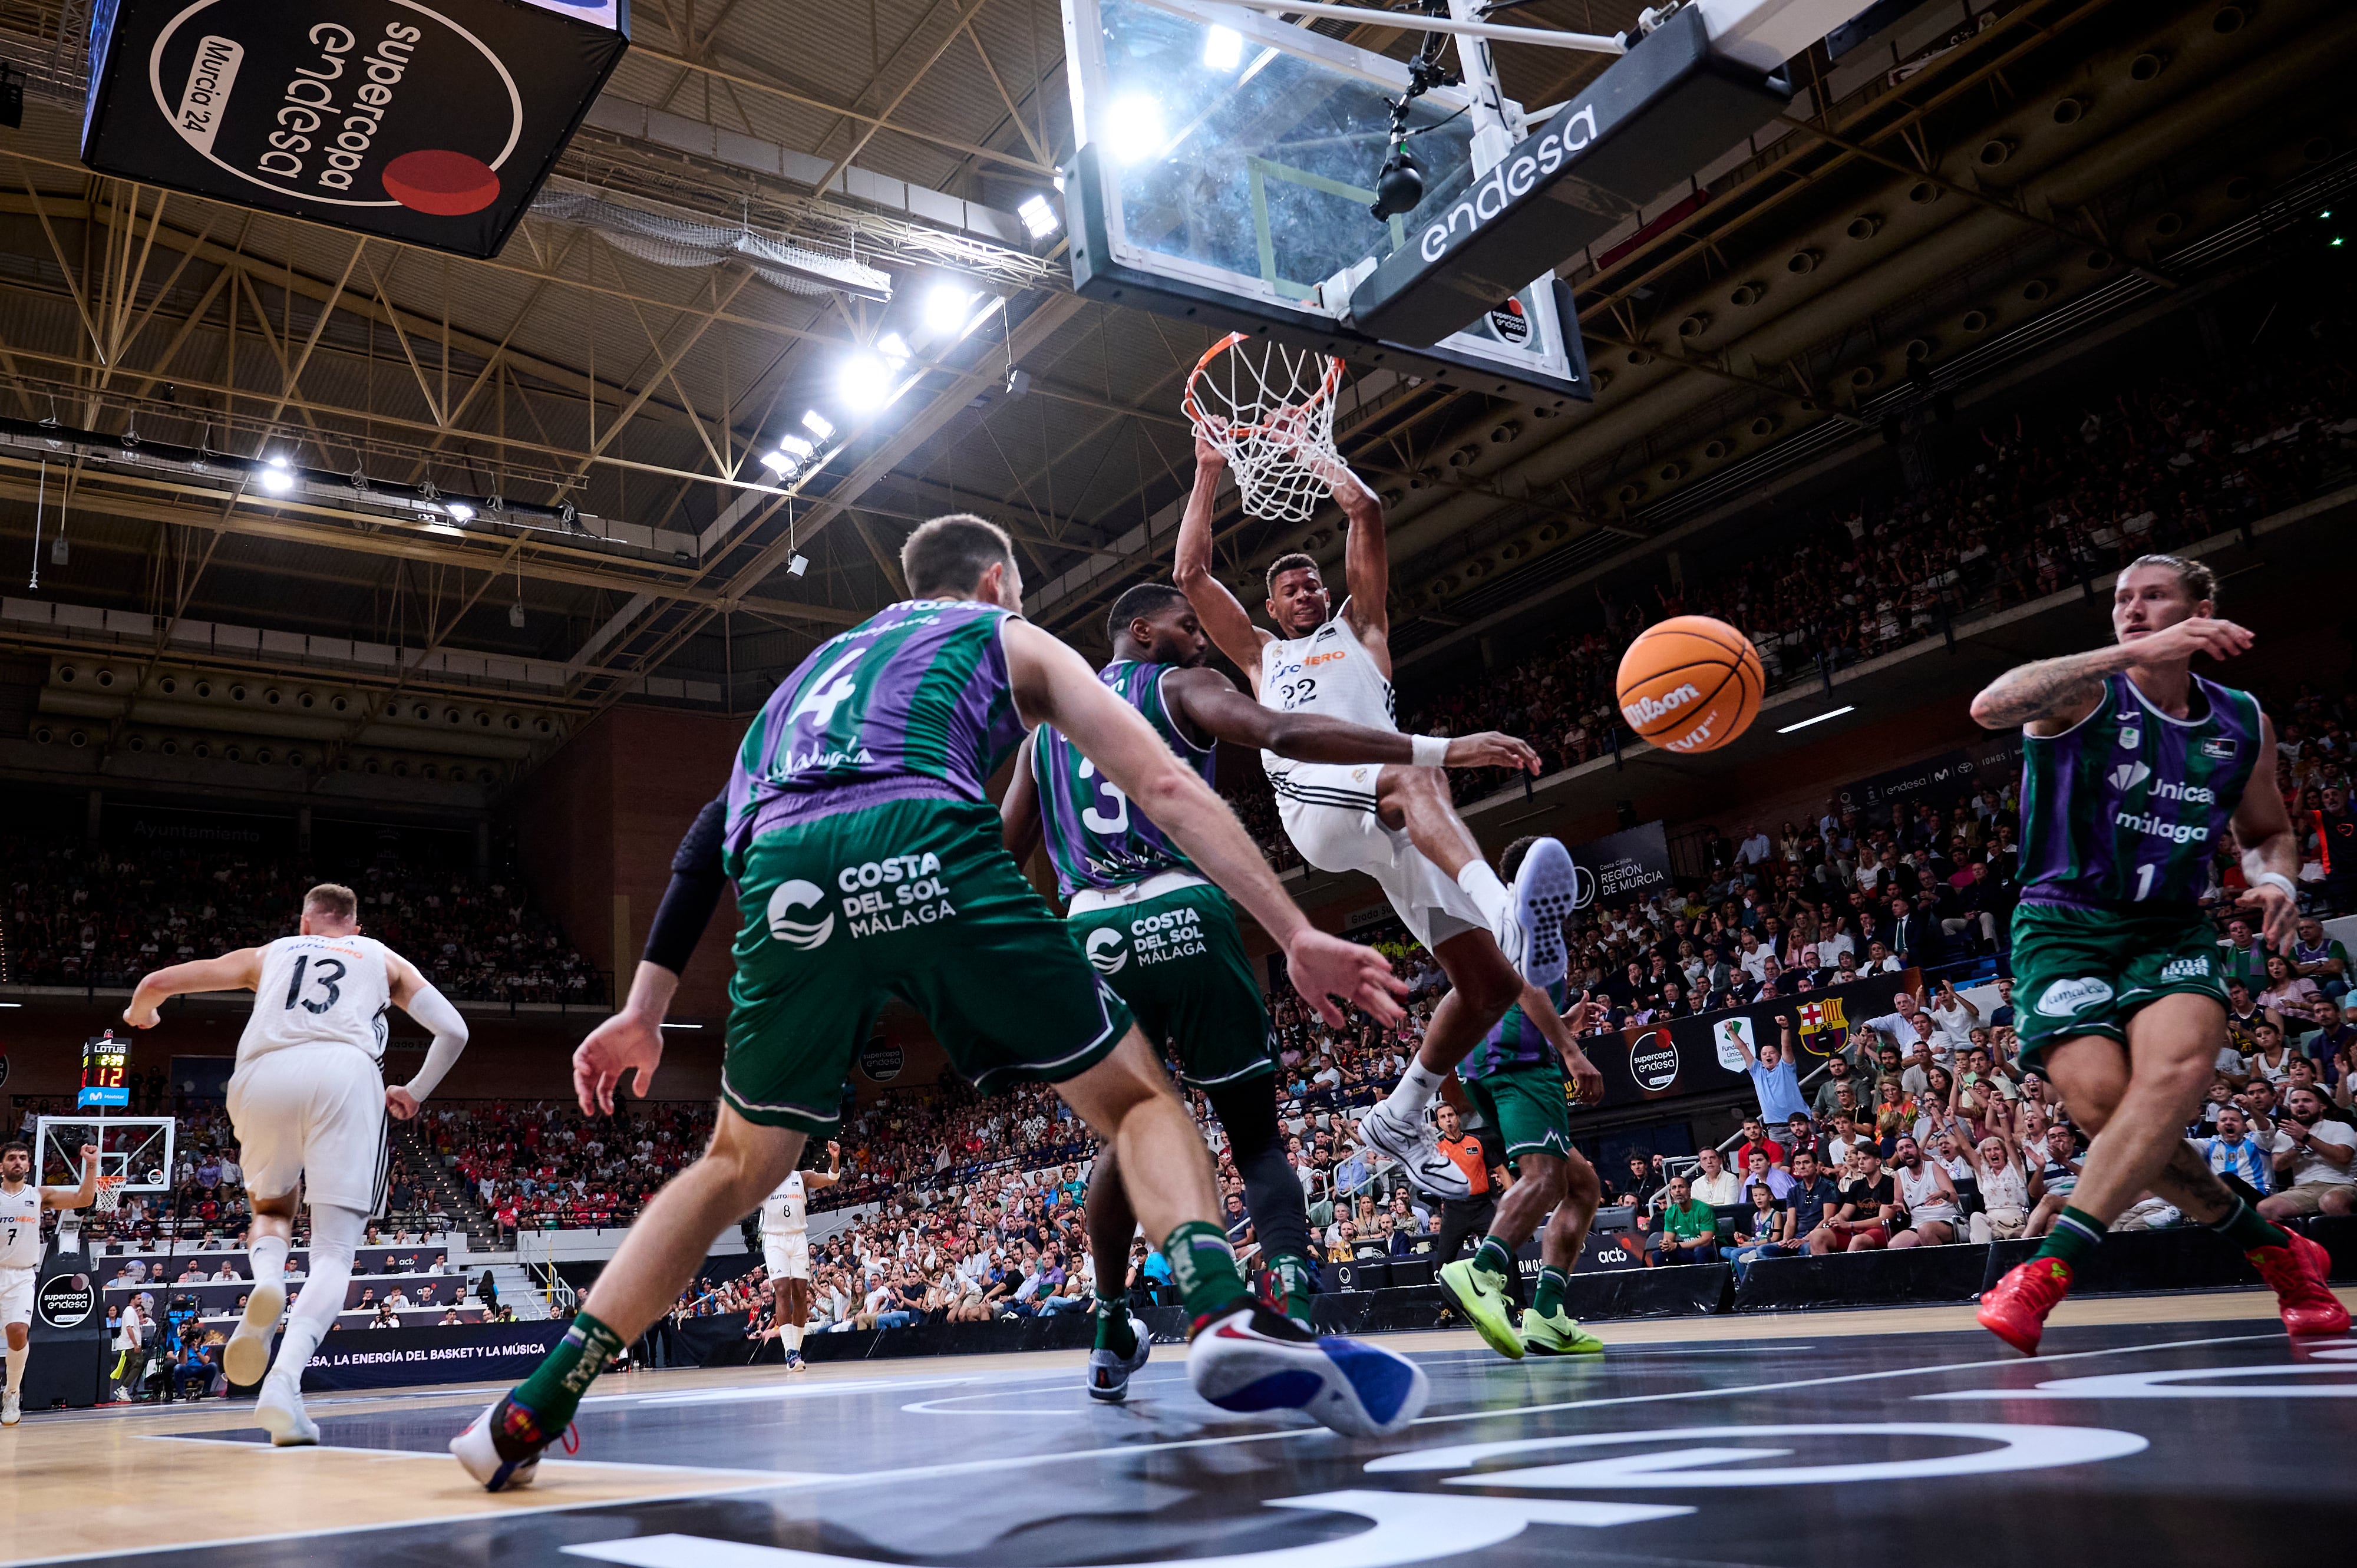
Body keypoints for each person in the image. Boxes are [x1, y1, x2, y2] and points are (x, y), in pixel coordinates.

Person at [451, 514, 1427, 1491]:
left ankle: (531, 1407)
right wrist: (1295, 932)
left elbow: (709, 834)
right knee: (1135, 1100)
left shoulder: (806, 676)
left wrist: (645, 1008)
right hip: (923, 830)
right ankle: (1220, 1308)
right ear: (997, 578)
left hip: (784, 868)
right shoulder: (1001, 635)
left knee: (734, 1168)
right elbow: (1165, 782)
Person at [997, 577, 1533, 1388]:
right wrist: (1433, 750)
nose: (1200, 636)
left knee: (1129, 1134)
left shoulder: (1044, 735)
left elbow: (1002, 850)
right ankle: (1291, 1302)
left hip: (1091, 933)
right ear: (1142, 632)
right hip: (1185, 911)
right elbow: (1282, 730)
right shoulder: (1181, 686)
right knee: (1254, 1136)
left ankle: (1110, 1325)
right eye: (1186, 625)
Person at [1174, 435, 1575, 1201]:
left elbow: (1366, 508)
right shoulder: (1262, 658)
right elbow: (1190, 574)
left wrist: (1312, 448)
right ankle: (1504, 906)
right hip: (1315, 806)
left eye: (1312, 582)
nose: (1304, 593)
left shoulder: (1366, 631)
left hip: (1392, 824)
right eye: (1289, 587)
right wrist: (1206, 471)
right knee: (1416, 767)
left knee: (1488, 984)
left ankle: (1404, 1110)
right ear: (1271, 606)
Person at [1968, 553, 2346, 1352]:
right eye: (2121, 600)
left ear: (2201, 610)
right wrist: (2124, 657)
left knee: (2170, 1081)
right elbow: (1991, 705)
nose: (2132, 610)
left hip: (2171, 927)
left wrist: (2277, 881)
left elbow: (2268, 832)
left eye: (2154, 597)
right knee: (2110, 1111)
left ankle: (2049, 1269)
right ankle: (2278, 1252)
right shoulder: (2084, 691)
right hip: (2063, 923)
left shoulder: (2240, 721)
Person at [124, 883, 470, 1444]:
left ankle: (267, 1281)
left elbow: (159, 982)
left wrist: (142, 1009)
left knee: (273, 1207)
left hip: (263, 1074)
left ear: (305, 924)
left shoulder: (272, 952)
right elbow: (455, 1029)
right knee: (334, 1251)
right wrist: (416, 1090)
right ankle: (284, 1382)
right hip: (345, 1072)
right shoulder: (380, 956)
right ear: (354, 928)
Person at [1434, 839, 1609, 1358]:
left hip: (1486, 1060)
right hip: (1520, 1064)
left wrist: (1566, 1023)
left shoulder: (1499, 913)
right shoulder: (1531, 915)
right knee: (1544, 1177)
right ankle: (1482, 1270)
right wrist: (1571, 1050)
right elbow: (1521, 985)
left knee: (1581, 1185)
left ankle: (1549, 1313)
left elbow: (1519, 991)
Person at [0, 1140, 99, 1425]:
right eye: (11, 1158)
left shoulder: (38, 1195)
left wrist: (90, 1165)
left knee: (18, 1332)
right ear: (2, 1166)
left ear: (29, 1165)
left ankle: (12, 1392)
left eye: (22, 1158)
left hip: (20, 1275)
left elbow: (83, 1199)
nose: (17, 1162)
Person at [757, 1138, 840, 1375]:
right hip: (774, 1240)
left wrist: (835, 1159)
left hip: (798, 1239)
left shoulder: (802, 1177)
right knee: (782, 1291)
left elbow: (832, 1178)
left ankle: (797, 1350)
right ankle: (790, 1352)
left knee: (801, 1294)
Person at [2259, 1086, 2356, 1220]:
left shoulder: (2340, 1127)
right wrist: (2297, 1148)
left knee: (2330, 1202)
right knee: (2265, 1208)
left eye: (2306, 1101)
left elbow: (2344, 1157)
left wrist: (2307, 1139)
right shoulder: (2285, 1133)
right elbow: (2278, 1166)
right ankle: (2296, 1241)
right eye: (2295, 1102)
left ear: (2322, 1107)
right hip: (2303, 1189)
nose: (2300, 1105)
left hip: (2341, 1185)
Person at [1430, 1102, 1496, 1269]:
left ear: (1458, 1118)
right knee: (1443, 1263)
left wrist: (1510, 1203)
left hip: (1482, 1206)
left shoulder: (1478, 1141)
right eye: (1443, 1117)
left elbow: (1501, 1171)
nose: (1448, 1120)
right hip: (1455, 1209)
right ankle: (1450, 1295)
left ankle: (1516, 1295)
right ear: (1438, 1123)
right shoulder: (1436, 1150)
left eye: (1451, 1115)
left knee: (1504, 1252)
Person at [1886, 1135, 1962, 1248]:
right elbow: (1898, 1200)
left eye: (1909, 1147)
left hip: (1947, 1220)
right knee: (1894, 1245)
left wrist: (1943, 1194)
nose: (1906, 1151)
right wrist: (1898, 1205)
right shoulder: (1900, 1174)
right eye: (1901, 1149)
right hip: (1918, 1223)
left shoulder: (1933, 1167)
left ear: (1918, 1150)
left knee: (1926, 1230)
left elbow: (1955, 1198)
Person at [1648, 1175, 1718, 1266]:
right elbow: (1668, 1239)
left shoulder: (1703, 1209)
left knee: (1700, 1250)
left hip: (1708, 1249)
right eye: (1674, 1188)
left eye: (1681, 1187)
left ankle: (1701, 1279)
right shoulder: (1670, 1212)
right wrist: (1666, 1244)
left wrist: (1677, 1245)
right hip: (1686, 1250)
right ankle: (1665, 1280)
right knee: (1658, 1254)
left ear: (1689, 1191)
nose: (1678, 1191)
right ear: (1671, 1193)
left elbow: (1706, 1240)